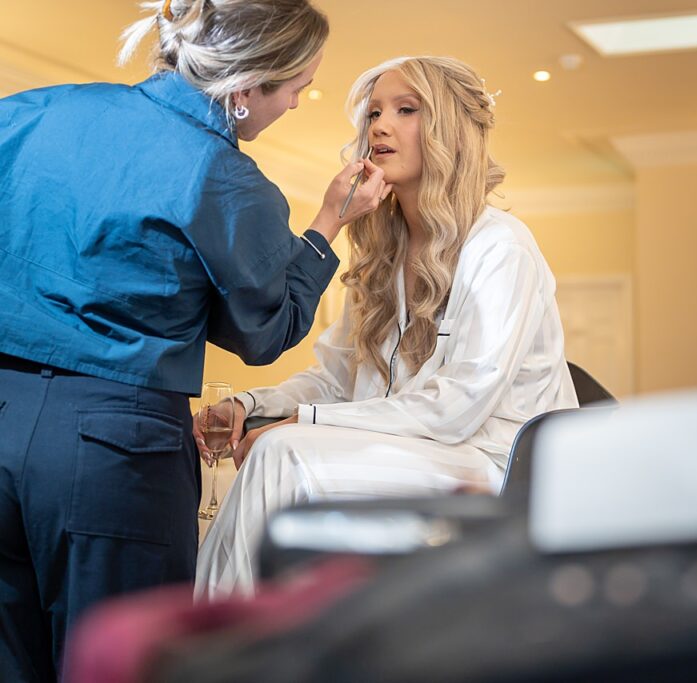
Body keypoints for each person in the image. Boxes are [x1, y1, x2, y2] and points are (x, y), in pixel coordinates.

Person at [0, 1, 391, 679]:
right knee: (127, 664)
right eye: (296, 87)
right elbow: (265, 330)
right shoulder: (224, 177)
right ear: (246, 87)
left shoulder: (32, 111)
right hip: (112, 450)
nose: (297, 103)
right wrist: (328, 223)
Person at [194, 56, 578, 598]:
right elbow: (334, 380)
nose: (380, 126)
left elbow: (457, 406)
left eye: (406, 110)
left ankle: (223, 631)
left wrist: (304, 422)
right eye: (374, 113)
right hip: (418, 456)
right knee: (277, 451)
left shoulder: (500, 247)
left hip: (497, 470)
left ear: (448, 128)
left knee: (283, 453)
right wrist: (252, 406)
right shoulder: (383, 254)